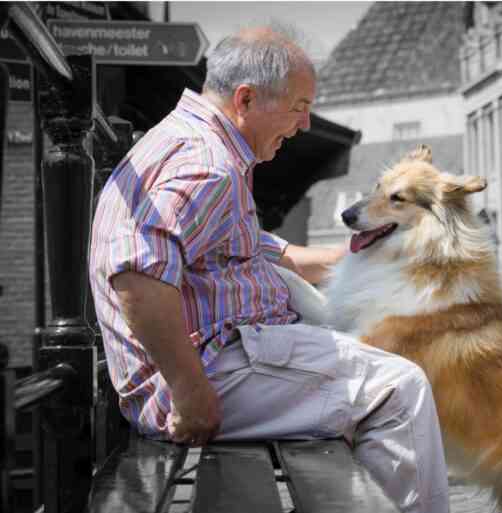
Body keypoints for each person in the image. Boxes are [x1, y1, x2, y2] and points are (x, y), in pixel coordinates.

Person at [88, 26, 450, 513]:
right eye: (299, 108)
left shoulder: (190, 142)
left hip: (221, 357)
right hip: (208, 372)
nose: (304, 125)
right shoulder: (208, 167)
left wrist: (373, 255)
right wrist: (189, 389)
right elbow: (136, 273)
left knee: (381, 367)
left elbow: (256, 251)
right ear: (246, 98)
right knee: (400, 391)